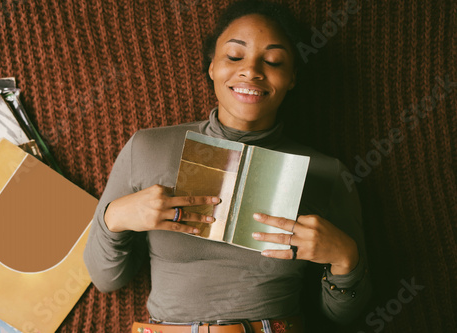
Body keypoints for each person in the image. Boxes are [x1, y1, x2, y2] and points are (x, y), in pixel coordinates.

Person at [83, 1, 371, 332]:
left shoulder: (327, 173)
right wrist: (114, 217)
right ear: (211, 67)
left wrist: (345, 259)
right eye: (234, 56)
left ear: (292, 77)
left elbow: (344, 315)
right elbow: (107, 280)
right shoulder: (147, 148)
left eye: (273, 60)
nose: (251, 70)